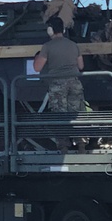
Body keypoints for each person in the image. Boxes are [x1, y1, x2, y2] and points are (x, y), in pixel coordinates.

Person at [33, 14, 85, 148]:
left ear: (50, 30)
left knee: (59, 116)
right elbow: (81, 66)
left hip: (57, 84)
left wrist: (38, 56)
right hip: (75, 83)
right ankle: (81, 145)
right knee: (77, 114)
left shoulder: (47, 47)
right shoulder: (73, 45)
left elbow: (37, 67)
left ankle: (63, 146)